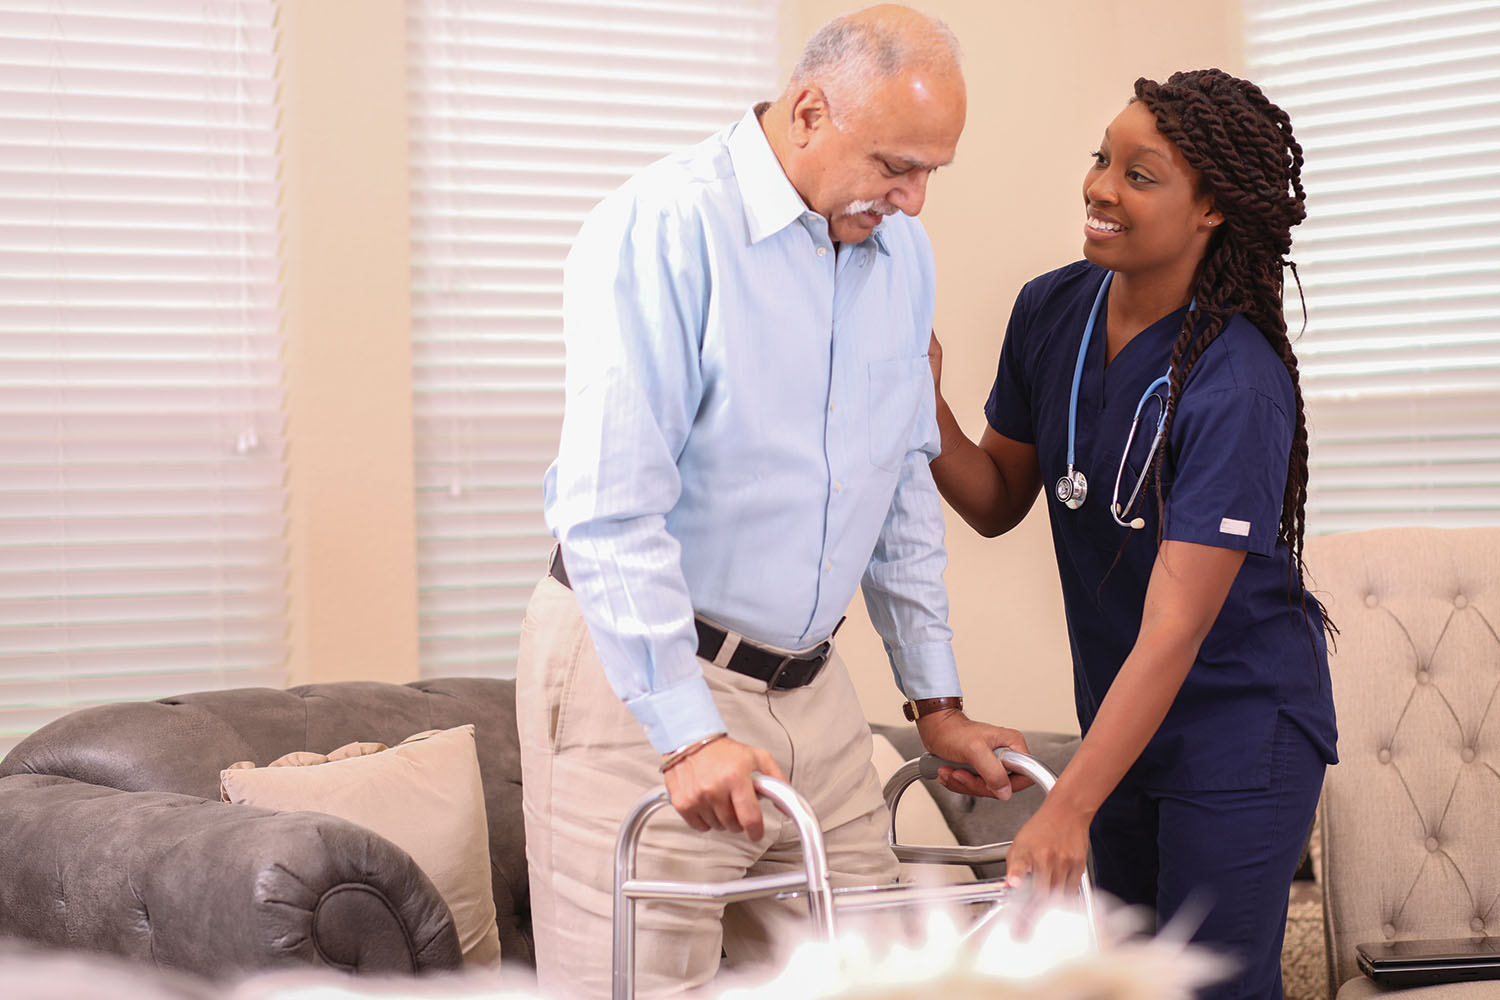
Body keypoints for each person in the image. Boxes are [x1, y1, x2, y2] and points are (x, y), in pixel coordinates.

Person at [516, 7, 1027, 997]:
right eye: (895, 165)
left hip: (814, 690)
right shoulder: (663, 227)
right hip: (646, 673)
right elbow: (609, 505)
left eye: (931, 173)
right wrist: (685, 730)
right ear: (807, 111)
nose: (914, 201)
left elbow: (900, 487)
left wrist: (938, 703)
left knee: (876, 982)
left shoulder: (899, 254)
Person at [926, 69, 1338, 999]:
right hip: (1124, 725)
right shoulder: (1050, 309)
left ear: (1212, 212)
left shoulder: (1237, 381)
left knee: (1207, 989)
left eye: (1141, 175)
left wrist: (1067, 804)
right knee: (1130, 988)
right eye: (1101, 159)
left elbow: (1175, 629)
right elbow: (995, 498)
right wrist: (923, 406)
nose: (1102, 187)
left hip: (1239, 733)